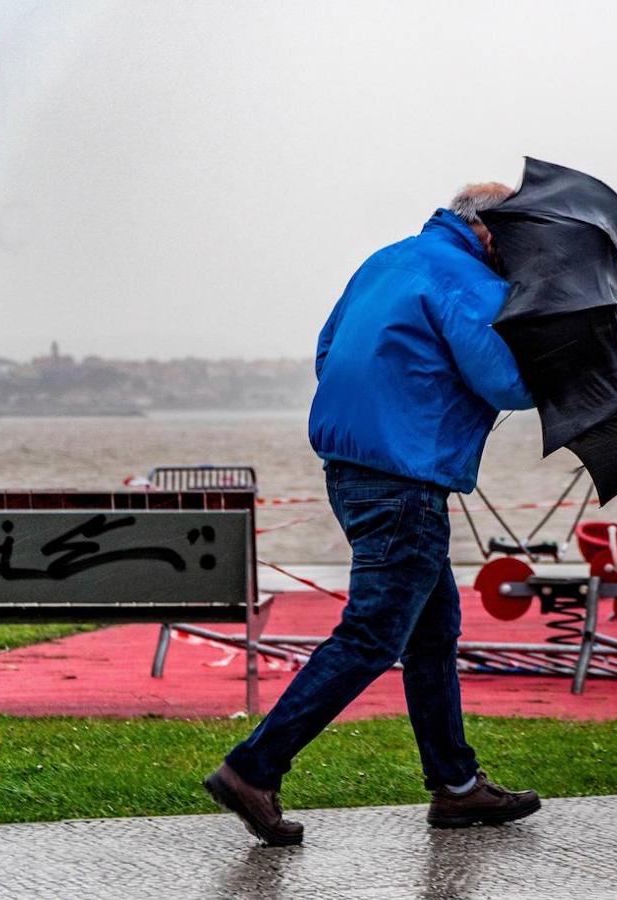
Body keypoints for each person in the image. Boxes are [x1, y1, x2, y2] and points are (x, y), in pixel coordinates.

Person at [204, 183, 541, 844]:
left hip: (352, 467)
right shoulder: (466, 279)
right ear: (492, 233)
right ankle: (254, 767)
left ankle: (457, 785)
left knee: (433, 629)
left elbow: (328, 352)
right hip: (403, 479)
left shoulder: (387, 261)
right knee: (373, 634)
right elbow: (506, 382)